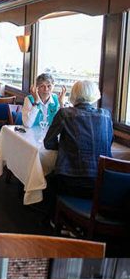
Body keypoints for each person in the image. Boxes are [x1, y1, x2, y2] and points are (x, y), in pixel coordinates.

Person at [43, 80, 113, 208]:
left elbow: (48, 143)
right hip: (103, 181)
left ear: (74, 95)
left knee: (46, 179)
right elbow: (109, 143)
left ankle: (56, 219)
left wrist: (65, 147)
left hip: (72, 180)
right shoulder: (106, 115)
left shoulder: (65, 113)